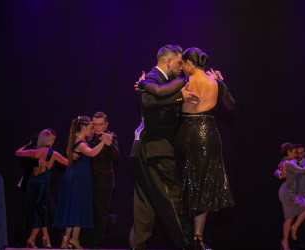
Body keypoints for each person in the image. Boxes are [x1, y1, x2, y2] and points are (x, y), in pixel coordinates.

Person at [137, 47, 236, 249]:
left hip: (187, 134)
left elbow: (159, 91)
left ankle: (189, 233)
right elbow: (231, 105)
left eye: (184, 64)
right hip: (209, 135)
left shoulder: (185, 81)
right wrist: (221, 82)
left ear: (189, 64)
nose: (182, 68)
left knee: (186, 183)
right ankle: (197, 236)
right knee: (203, 183)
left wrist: (143, 83)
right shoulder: (216, 83)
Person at [129, 45, 199, 250]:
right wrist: (179, 98)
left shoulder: (162, 81)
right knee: (171, 199)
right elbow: (149, 101)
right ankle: (187, 244)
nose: (181, 67)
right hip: (154, 149)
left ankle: (138, 246)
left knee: (145, 203)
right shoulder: (152, 77)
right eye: (179, 63)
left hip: (147, 149)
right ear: (168, 61)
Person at [53, 116, 113, 249]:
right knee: (78, 207)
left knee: (73, 207)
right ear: (84, 128)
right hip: (79, 178)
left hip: (76, 176)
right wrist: (104, 142)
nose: (92, 130)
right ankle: (72, 239)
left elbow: (71, 150)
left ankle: (68, 238)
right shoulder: (81, 143)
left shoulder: (76, 139)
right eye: (91, 128)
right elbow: (91, 153)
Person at [15, 129, 68, 248]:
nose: (54, 142)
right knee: (41, 213)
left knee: (39, 212)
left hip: (31, 183)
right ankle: (32, 239)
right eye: (53, 139)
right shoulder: (53, 153)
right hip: (42, 185)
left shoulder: (34, 152)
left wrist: (27, 145)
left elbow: (18, 152)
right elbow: (68, 163)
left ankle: (45, 237)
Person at [275, 144, 305, 249]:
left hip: (304, 195)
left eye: (300, 153)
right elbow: (277, 170)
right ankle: (296, 244)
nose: (298, 155)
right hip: (291, 195)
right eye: (296, 153)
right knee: (291, 220)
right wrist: (280, 174)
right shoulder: (290, 162)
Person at [88, 111, 119, 248]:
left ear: (106, 124)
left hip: (104, 182)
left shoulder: (111, 137)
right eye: (94, 124)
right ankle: (83, 241)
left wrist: (109, 145)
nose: (97, 127)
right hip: (88, 180)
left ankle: (97, 244)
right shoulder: (89, 137)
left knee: (101, 214)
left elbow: (116, 156)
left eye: (100, 125)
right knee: (88, 212)